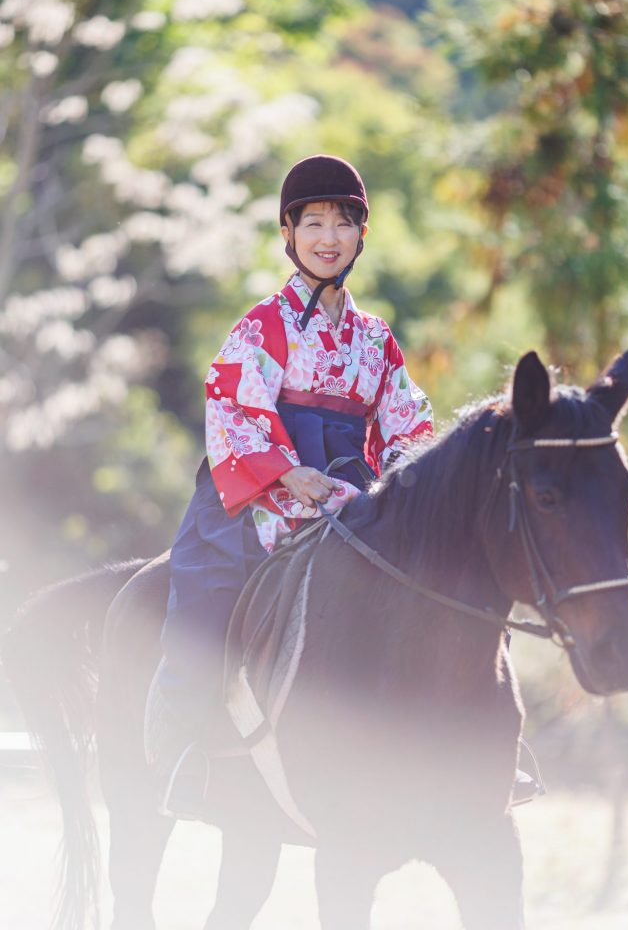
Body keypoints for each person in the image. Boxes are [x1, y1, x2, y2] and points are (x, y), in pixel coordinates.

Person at [155, 154, 433, 816]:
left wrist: (407, 482)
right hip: (261, 495)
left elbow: (409, 424)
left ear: (362, 235)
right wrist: (286, 470)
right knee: (209, 606)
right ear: (288, 233)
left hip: (350, 499)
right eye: (313, 223)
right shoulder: (263, 325)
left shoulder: (376, 339)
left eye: (343, 223)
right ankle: (187, 752)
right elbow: (234, 408)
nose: (328, 238)